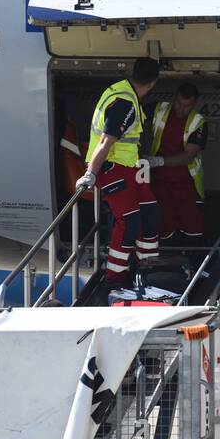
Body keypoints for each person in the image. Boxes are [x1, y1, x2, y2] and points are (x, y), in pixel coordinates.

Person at [75, 57, 161, 283]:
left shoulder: (124, 92)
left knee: (150, 212)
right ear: (153, 83)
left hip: (128, 167)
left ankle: (147, 263)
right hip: (110, 167)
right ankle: (116, 275)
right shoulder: (125, 102)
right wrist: (90, 173)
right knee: (129, 221)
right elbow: (105, 141)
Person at [146, 82, 208, 248]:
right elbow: (134, 114)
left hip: (187, 186)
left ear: (194, 104)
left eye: (187, 106)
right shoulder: (160, 109)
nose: (181, 109)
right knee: (164, 232)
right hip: (160, 184)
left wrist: (157, 161)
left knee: (193, 232)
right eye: (179, 104)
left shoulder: (198, 122)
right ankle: (166, 270)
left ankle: (196, 271)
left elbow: (189, 156)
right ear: (175, 98)